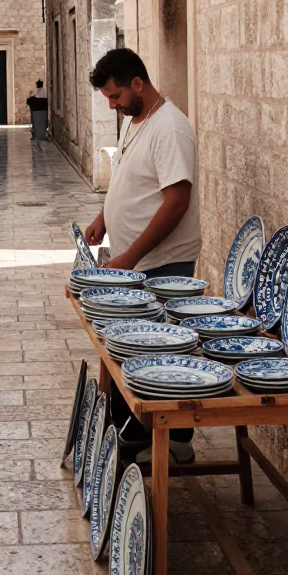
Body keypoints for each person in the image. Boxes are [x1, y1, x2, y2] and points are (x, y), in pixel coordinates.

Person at [84, 47, 201, 464]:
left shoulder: (169, 128)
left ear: (138, 83)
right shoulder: (136, 121)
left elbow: (176, 201)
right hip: (137, 263)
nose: (112, 106)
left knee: (164, 355)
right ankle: (136, 430)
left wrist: (131, 255)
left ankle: (175, 444)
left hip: (163, 266)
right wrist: (103, 217)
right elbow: (130, 179)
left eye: (115, 97)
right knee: (133, 352)